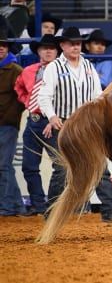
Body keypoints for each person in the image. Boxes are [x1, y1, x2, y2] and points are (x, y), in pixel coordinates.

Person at [37, 27, 112, 223]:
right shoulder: (54, 67)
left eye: (78, 43)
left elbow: (97, 96)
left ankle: (110, 212)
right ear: (63, 46)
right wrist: (52, 116)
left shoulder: (88, 66)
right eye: (72, 43)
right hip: (64, 122)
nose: (76, 46)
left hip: (86, 124)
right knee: (62, 169)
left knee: (100, 166)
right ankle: (51, 213)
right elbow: (44, 96)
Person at [13, 34, 58, 216]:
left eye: (52, 48)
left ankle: (55, 206)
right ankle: (39, 205)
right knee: (29, 167)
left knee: (60, 166)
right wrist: (28, 103)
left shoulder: (61, 71)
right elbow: (19, 88)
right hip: (33, 121)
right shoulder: (28, 71)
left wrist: (52, 115)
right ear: (38, 51)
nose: (48, 51)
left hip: (54, 121)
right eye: (44, 48)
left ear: (56, 51)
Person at [0, 31, 24, 216]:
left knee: (4, 165)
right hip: (7, 123)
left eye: (4, 45)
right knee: (4, 165)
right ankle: (17, 205)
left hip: (7, 123)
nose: (1, 48)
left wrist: (12, 115)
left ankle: (6, 207)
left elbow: (23, 97)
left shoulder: (16, 70)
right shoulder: (14, 69)